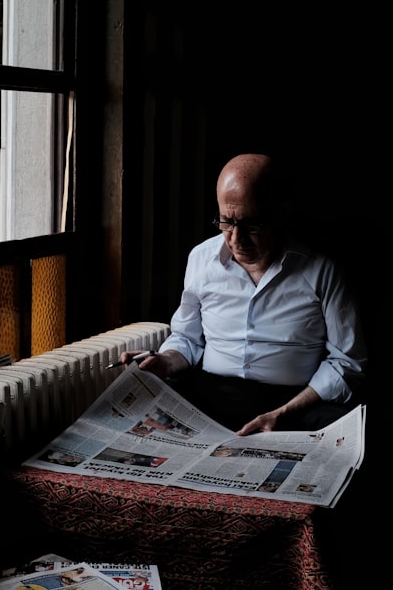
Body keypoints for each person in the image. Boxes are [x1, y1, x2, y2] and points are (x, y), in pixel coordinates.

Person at [120, 153, 366, 435]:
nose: (236, 239)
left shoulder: (322, 270)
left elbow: (347, 363)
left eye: (251, 225)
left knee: (348, 432)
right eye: (227, 222)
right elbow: (187, 337)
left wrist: (283, 413)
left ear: (280, 214)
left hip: (295, 402)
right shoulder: (201, 259)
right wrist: (164, 360)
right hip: (209, 395)